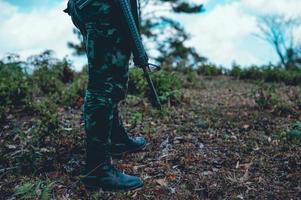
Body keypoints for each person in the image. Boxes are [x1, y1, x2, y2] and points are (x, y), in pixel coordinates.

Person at [64, 0, 146, 191]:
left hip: (97, 6)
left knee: (112, 78)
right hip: (102, 6)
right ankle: (97, 169)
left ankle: (116, 138)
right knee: (104, 86)